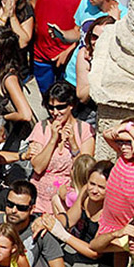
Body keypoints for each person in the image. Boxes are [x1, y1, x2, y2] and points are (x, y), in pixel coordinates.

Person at [25, 81, 95, 214]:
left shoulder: (84, 130)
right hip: (38, 200)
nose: (55, 112)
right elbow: (38, 167)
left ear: (71, 105)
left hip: (66, 201)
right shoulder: (42, 127)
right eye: (51, 107)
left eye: (60, 107)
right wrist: (52, 140)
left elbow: (85, 171)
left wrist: (74, 145)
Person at [31, 0, 85, 93]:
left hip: (65, 59)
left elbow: (83, 29)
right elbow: (34, 4)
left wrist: (68, 51)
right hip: (39, 55)